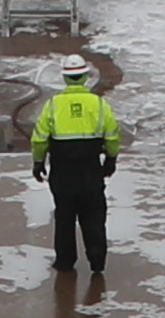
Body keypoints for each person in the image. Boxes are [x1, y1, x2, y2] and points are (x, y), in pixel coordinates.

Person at [25, 60, 119, 299]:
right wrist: (110, 160)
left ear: (66, 78)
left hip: (63, 171)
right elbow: (112, 134)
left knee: (65, 216)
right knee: (94, 216)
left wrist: (38, 162)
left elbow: (39, 138)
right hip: (90, 170)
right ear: (85, 77)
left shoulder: (54, 105)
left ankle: (65, 262)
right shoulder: (99, 104)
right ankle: (97, 260)